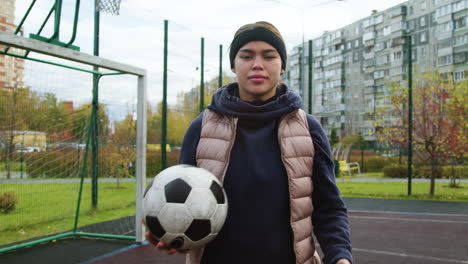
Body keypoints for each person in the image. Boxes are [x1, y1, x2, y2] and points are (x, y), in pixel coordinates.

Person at [146, 21, 352, 264]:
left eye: (268, 56)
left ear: (282, 65)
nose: (257, 65)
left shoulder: (308, 129)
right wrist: (173, 231)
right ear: (234, 65)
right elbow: (181, 201)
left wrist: (340, 257)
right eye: (246, 56)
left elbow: (329, 208)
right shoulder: (201, 128)